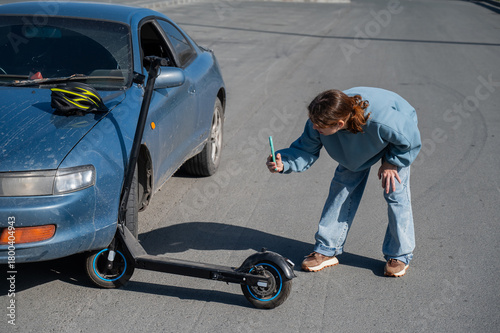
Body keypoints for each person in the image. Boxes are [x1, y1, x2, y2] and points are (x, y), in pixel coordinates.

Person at [266, 87, 421, 277]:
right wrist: (284, 163)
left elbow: (410, 140)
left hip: (396, 144)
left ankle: (400, 254)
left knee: (395, 192)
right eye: (313, 122)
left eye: (320, 126)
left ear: (339, 124)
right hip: (355, 151)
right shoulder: (319, 119)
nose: (314, 127)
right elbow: (306, 149)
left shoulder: (384, 121)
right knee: (341, 188)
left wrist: (392, 162)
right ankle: (327, 249)